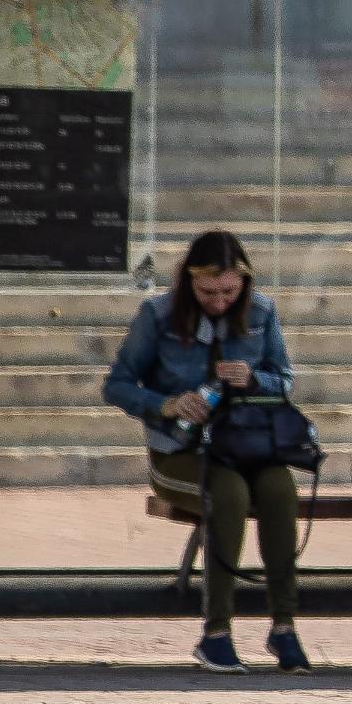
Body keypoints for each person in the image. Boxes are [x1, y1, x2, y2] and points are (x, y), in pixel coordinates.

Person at [103, 230, 307, 673]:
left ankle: (284, 625)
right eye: (208, 292)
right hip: (180, 448)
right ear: (188, 284)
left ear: (244, 285)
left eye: (230, 292)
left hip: (246, 441)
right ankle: (216, 632)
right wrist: (167, 404)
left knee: (280, 491)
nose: (219, 302)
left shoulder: (261, 312)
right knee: (227, 496)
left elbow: (285, 379)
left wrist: (253, 378)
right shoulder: (157, 315)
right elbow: (116, 385)